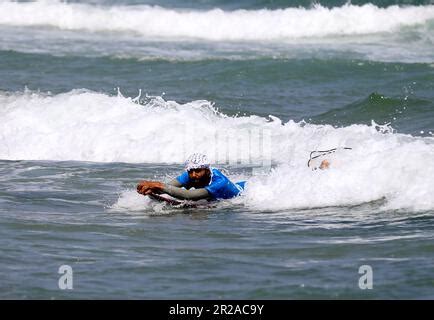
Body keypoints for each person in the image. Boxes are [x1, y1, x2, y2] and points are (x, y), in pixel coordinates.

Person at [137, 153, 246, 201]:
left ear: (207, 170)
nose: (194, 175)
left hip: (242, 194)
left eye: (198, 170)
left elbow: (190, 195)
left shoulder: (219, 181)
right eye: (191, 171)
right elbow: (168, 187)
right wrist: (152, 189)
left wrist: (158, 185)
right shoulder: (190, 175)